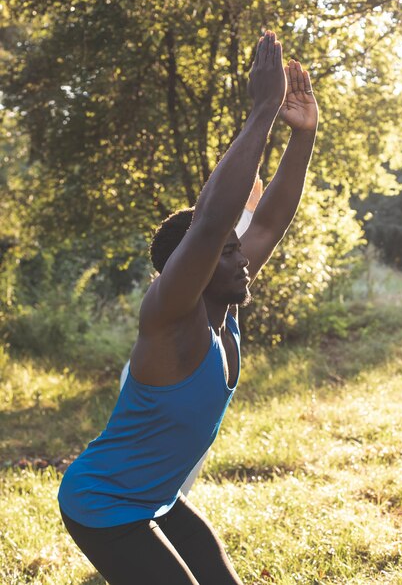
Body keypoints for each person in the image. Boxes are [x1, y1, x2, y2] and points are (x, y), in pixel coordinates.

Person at [58, 30, 319, 585]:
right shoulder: (171, 320)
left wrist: (304, 135)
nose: (243, 258)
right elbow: (210, 222)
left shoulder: (226, 307)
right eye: (227, 252)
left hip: (159, 497)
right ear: (192, 268)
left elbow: (267, 222)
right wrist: (262, 110)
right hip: (104, 507)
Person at [118, 176, 263, 496]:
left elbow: (237, 236)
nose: (240, 258)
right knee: (161, 481)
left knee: (173, 485)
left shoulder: (217, 313)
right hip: (117, 497)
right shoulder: (174, 316)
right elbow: (210, 237)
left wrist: (249, 210)